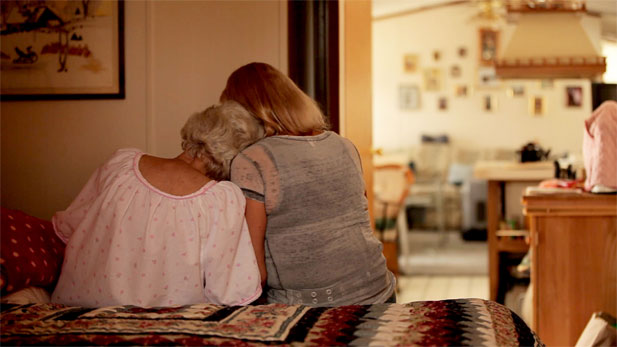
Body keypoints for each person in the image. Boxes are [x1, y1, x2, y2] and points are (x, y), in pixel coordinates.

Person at [51, 101, 265, 308]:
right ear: (238, 157)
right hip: (165, 327)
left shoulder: (120, 164)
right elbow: (231, 291)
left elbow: (69, 228)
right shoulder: (221, 200)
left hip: (77, 310)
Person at [221, 62, 396, 306]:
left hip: (310, 307)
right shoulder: (344, 145)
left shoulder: (251, 161)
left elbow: (254, 269)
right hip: (378, 288)